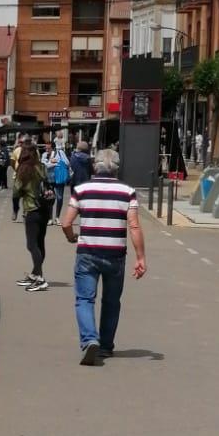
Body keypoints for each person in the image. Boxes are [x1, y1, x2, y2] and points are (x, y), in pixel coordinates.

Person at [61, 145, 146, 365]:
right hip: (115, 255)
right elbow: (134, 226)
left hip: (87, 253)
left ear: (94, 166)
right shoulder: (127, 192)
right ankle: (106, 346)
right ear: (117, 168)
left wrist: (71, 237)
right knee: (111, 301)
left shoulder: (81, 189)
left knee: (84, 299)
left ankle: (90, 339)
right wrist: (140, 258)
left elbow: (66, 222)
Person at [13, 143, 51, 291]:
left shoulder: (23, 169)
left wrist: (15, 209)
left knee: (31, 245)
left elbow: (16, 192)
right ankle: (35, 273)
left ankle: (40, 278)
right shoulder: (41, 167)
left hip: (32, 209)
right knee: (40, 242)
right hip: (45, 208)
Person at [45, 135, 71, 218]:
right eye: (46, 148)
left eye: (48, 148)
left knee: (59, 198)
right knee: (49, 198)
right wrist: (52, 163)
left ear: (53, 148)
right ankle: (50, 218)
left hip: (59, 178)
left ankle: (57, 217)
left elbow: (67, 163)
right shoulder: (45, 155)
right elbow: (45, 165)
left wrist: (57, 161)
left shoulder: (60, 153)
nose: (47, 150)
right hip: (49, 179)